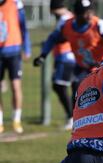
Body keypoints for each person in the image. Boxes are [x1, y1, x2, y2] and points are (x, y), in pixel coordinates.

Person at [33, 0, 103, 106]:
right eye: (85, 13)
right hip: (82, 67)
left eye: (91, 11)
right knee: (77, 92)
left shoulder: (100, 25)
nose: (89, 15)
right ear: (76, 14)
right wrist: (43, 55)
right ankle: (77, 120)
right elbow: (52, 39)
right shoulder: (66, 26)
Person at [33, 0, 75, 130]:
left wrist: (43, 54)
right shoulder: (69, 17)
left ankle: (72, 117)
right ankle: (75, 117)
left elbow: (57, 37)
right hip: (68, 57)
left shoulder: (65, 19)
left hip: (66, 57)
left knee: (59, 86)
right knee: (73, 87)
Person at [0, 0, 31, 134]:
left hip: (14, 51)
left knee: (15, 86)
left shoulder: (16, 4)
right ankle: (0, 122)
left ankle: (16, 120)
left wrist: (27, 48)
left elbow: (23, 27)